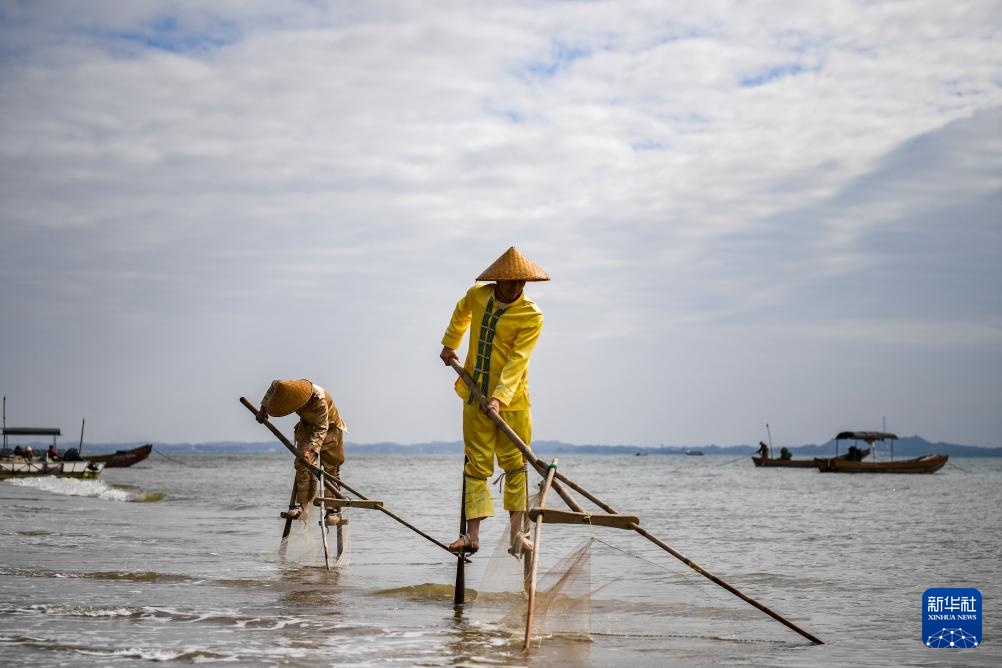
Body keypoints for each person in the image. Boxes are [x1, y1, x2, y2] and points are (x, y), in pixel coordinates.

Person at [439, 246, 549, 557]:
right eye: (511, 281)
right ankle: (472, 537)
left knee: (515, 466)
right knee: (476, 465)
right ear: (498, 280)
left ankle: (518, 535)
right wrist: (450, 344)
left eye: (521, 282)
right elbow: (462, 312)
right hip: (474, 394)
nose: (517, 286)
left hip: (513, 403)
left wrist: (499, 398)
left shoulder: (531, 315)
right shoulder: (478, 295)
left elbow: (518, 360)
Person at [256, 379, 347, 520]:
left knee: (330, 468)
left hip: (330, 428)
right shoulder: (284, 386)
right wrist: (263, 408)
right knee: (302, 463)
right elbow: (273, 387)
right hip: (307, 426)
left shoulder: (319, 399)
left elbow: (322, 428)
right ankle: (303, 507)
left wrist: (310, 449)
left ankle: (332, 510)